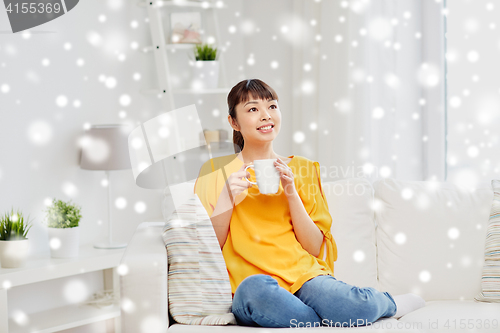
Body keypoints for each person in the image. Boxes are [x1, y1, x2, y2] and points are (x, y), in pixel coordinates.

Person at [193, 79, 425, 328]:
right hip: (251, 285)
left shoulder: (302, 169)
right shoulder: (215, 172)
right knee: (255, 290)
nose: (265, 115)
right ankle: (328, 318)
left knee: (353, 304)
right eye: (252, 109)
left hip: (304, 277)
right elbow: (208, 250)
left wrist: (292, 192)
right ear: (234, 122)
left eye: (272, 106)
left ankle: (390, 305)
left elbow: (314, 247)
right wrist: (227, 197)